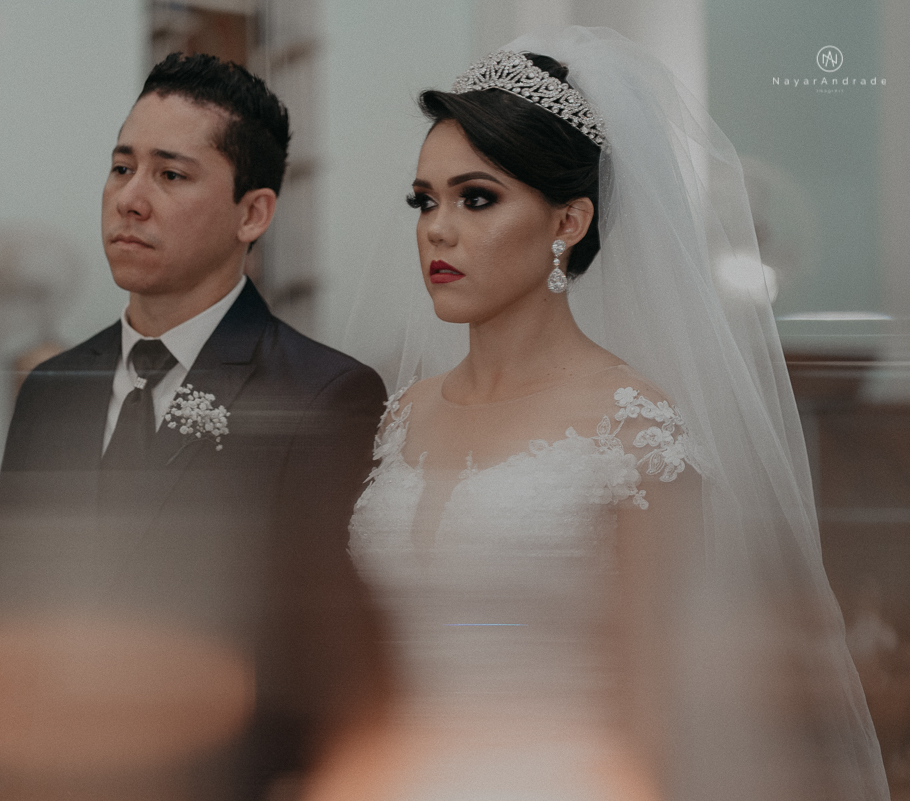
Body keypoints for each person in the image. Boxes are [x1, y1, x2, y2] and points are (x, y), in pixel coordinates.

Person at [325, 26, 890, 801]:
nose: (438, 228)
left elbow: (660, 712)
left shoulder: (636, 430)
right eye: (425, 200)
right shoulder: (401, 415)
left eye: (477, 197)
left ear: (569, 222)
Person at [0, 53, 389, 800]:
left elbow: (318, 670)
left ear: (252, 212)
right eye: (120, 166)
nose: (130, 199)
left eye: (170, 175)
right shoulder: (52, 388)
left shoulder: (323, 397)